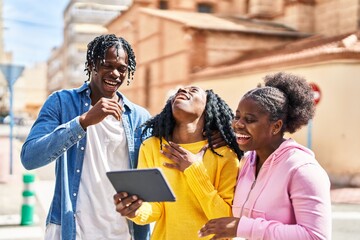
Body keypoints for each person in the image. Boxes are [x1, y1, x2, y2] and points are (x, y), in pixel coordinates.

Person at [20, 34, 151, 240]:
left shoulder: (139, 117)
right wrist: (83, 122)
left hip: (123, 231)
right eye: (108, 65)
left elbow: (154, 172)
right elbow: (30, 157)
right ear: (92, 64)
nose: (115, 74)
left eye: (122, 69)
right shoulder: (61, 102)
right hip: (71, 229)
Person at [198, 72, 332, 240]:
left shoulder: (302, 170)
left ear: (276, 127)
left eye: (249, 119)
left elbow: (315, 236)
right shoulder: (247, 161)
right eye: (237, 116)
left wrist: (242, 227)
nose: (238, 124)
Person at [113, 86, 243, 240]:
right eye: (179, 91)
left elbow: (225, 217)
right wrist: (135, 211)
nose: (182, 90)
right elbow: (156, 208)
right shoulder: (152, 147)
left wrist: (194, 170)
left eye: (193, 90)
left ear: (207, 108)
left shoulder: (224, 154)